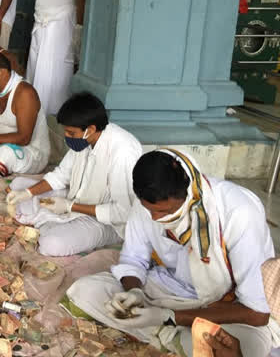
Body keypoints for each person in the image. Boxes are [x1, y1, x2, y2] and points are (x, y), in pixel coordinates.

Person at [65, 149, 276, 357]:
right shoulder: (147, 203)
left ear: (188, 195)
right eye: (150, 210)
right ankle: (171, 337)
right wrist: (134, 293)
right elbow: (133, 260)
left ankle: (164, 331)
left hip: (223, 305)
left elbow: (257, 313)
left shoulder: (238, 212)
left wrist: (169, 317)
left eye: (164, 212)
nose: (155, 218)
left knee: (238, 347)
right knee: (84, 290)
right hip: (166, 290)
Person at [5, 93, 142, 256]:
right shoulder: (85, 139)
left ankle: (53, 225)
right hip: (75, 199)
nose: (66, 137)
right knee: (18, 184)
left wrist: (69, 207)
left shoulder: (123, 152)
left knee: (51, 244)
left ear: (90, 130)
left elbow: (123, 212)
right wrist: (27, 193)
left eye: (70, 133)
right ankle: (52, 222)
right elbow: (61, 175)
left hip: (105, 222)